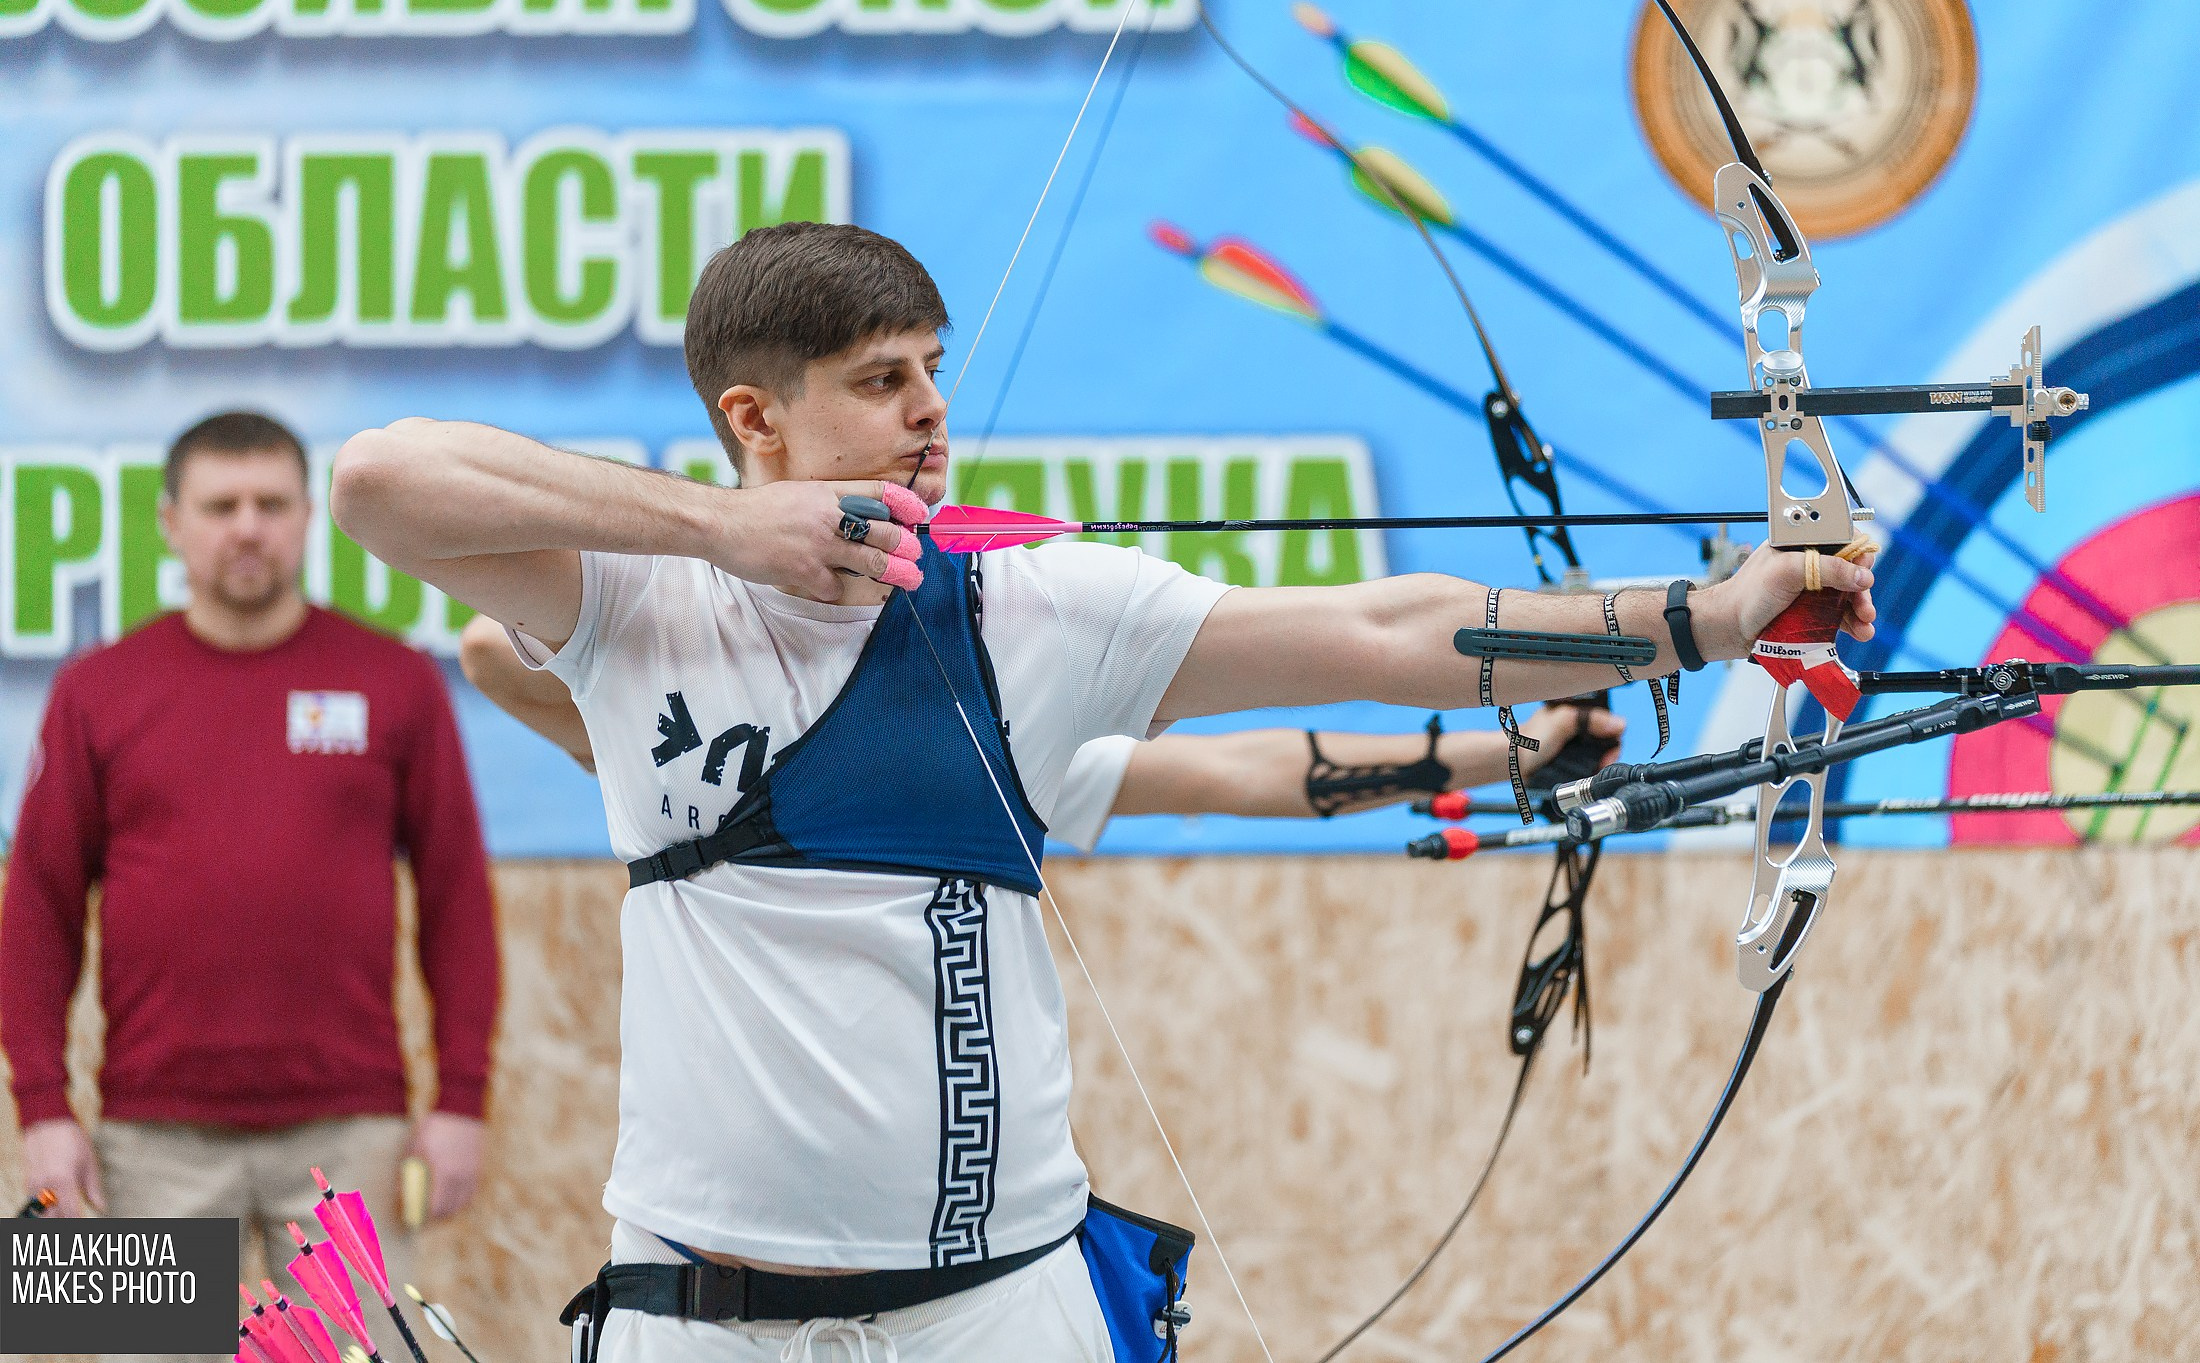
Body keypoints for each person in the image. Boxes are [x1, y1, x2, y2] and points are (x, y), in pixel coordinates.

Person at [328, 221, 1873, 1362]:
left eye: (935, 371)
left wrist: (1708, 614)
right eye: (881, 379)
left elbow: (1380, 631)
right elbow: (380, 480)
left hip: (987, 1312)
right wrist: (726, 532)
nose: (930, 410)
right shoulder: (635, 601)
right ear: (757, 418)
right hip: (694, 1313)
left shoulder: (1028, 606)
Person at [1, 411, 500, 1363]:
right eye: (220, 504)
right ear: (170, 522)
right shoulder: (96, 690)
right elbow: (37, 912)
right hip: (149, 1137)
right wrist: (44, 1111)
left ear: (308, 517)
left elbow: (456, 901)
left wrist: (461, 1100)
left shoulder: (393, 680)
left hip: (351, 1136)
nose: (246, 526)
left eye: (270, 503)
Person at [455, 609, 1625, 844]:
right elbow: (488, 648)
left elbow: (1235, 774)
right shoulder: (688, 725)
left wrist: (1510, 751)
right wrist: (728, 560)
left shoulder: (970, 738)